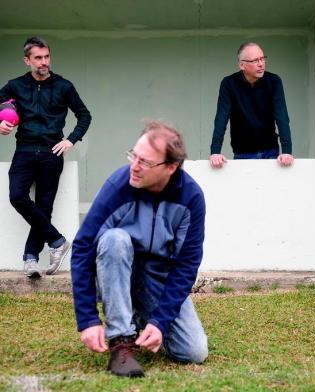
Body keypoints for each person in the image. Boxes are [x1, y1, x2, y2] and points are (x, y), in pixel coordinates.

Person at [71, 121, 208, 378]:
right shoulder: (119, 186)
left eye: (145, 162)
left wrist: (160, 322)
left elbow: (186, 265)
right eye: (134, 155)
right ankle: (121, 343)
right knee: (115, 240)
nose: (134, 166)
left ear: (170, 167)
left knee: (194, 352)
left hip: (157, 278)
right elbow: (83, 246)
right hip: (117, 271)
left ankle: (142, 319)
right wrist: (87, 319)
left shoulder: (191, 198)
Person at [0, 37, 91, 278]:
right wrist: (1, 122)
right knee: (17, 196)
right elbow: (0, 105)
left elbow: (84, 115)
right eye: (38, 58)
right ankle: (58, 240)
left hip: (52, 152)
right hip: (25, 150)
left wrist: (70, 139)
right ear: (27, 60)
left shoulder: (64, 86)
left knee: (44, 206)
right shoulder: (15, 86)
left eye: (46, 57)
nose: (44, 62)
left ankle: (30, 258)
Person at [209, 42, 294, 169]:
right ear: (242, 65)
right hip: (242, 153)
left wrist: (287, 151)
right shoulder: (229, 84)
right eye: (255, 60)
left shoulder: (274, 81)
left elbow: (282, 117)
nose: (261, 64)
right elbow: (221, 119)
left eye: (262, 59)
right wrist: (215, 151)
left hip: (270, 152)